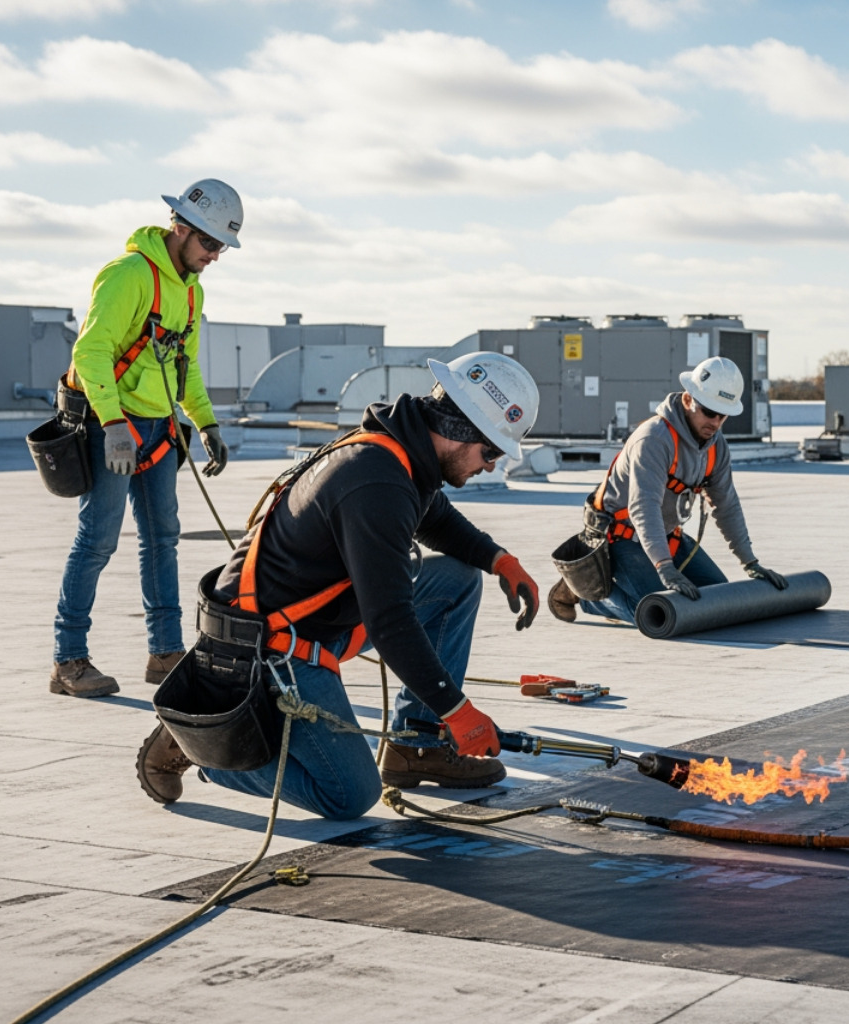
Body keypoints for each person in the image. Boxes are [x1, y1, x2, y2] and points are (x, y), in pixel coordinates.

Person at [136, 353, 543, 819]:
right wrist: (457, 710)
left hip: (311, 620)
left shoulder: (401, 455)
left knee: (456, 580)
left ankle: (417, 747)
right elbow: (390, 622)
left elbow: (432, 515)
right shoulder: (376, 480)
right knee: (348, 795)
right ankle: (205, 747)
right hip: (267, 646)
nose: (490, 466)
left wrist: (498, 559)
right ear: (458, 430)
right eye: (490, 452)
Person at [50, 179, 238, 698]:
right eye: (210, 244)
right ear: (181, 228)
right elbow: (90, 354)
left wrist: (206, 423)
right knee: (97, 541)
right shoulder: (128, 275)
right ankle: (68, 661)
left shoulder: (192, 292)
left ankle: (165, 652)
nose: (215, 256)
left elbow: (186, 367)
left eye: (222, 247)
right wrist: (111, 425)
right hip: (109, 425)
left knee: (163, 542)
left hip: (157, 431)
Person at [548, 355, 787, 624]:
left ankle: (639, 577)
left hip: (666, 534)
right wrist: (664, 566)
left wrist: (750, 562)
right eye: (709, 411)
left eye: (723, 415)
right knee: (656, 609)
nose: (716, 422)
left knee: (718, 597)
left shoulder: (716, 447)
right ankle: (587, 595)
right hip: (620, 536)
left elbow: (726, 505)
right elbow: (644, 507)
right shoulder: (654, 439)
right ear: (688, 400)